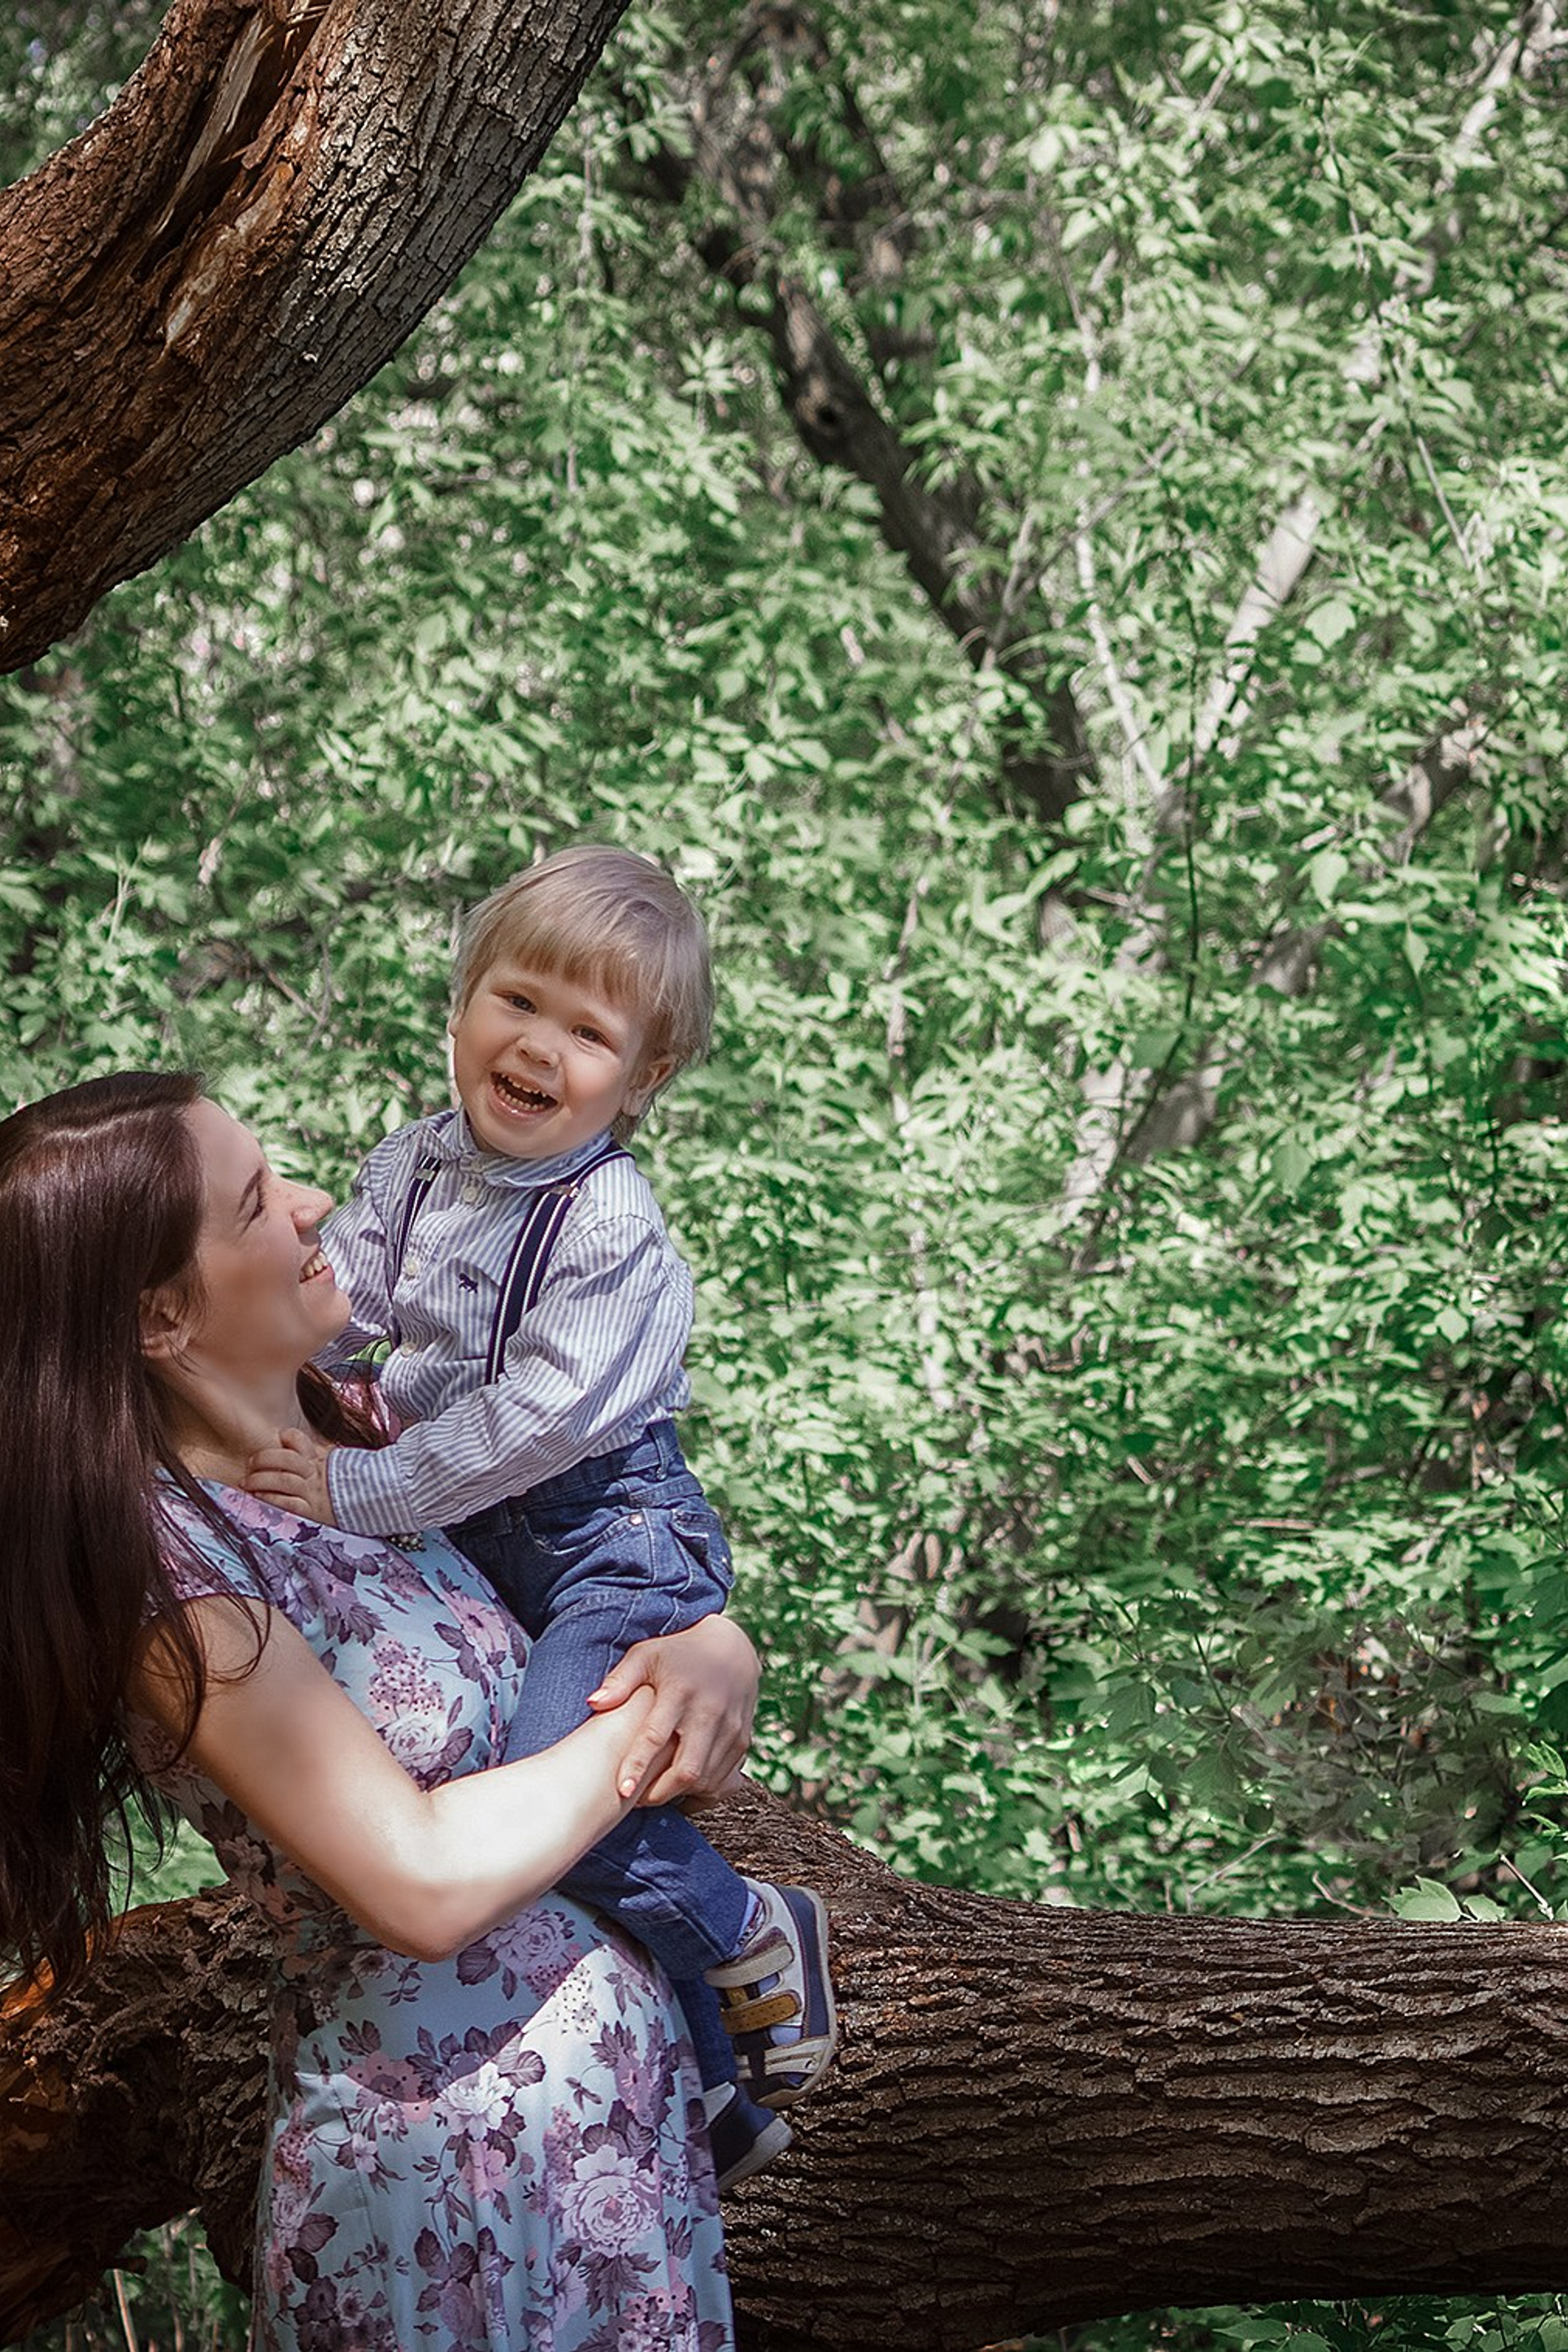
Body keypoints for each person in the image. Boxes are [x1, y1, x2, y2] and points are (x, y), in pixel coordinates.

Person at [0, 1070, 761, 2350]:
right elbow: (416, 1884)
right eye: (253, 1205)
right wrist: (651, 1722)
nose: (309, 1204)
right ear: (158, 1318)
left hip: (610, 2160)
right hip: (446, 2199)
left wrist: (708, 1641)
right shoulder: (182, 1598)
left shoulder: (368, 1438)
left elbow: (606, 1564)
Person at [244, 848, 837, 2187]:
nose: (539, 1047)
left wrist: (355, 1486)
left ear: (642, 1081)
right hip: (478, 1525)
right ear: (461, 1006)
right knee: (496, 1772)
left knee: (544, 1782)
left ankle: (744, 1923)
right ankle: (715, 2094)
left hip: (604, 1538)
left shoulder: (608, 1222)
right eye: (518, 1002)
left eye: (590, 1033)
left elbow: (533, 1423)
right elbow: (356, 1322)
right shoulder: (411, 1164)